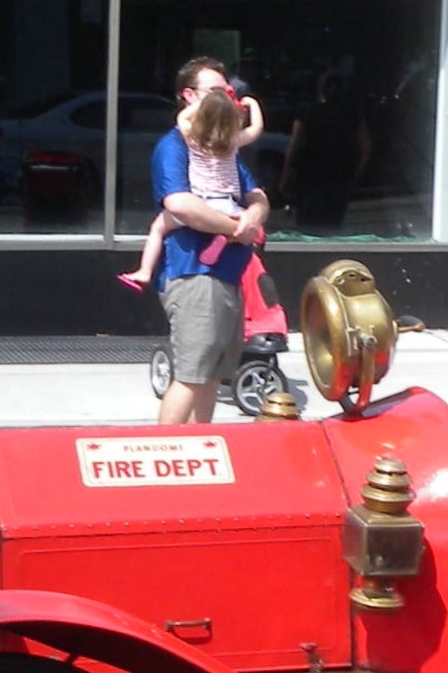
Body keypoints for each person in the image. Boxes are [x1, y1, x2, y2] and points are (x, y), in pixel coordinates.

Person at [151, 56, 271, 425]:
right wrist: (233, 227)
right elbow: (180, 204)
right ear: (189, 96)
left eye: (230, 92)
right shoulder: (175, 145)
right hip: (194, 275)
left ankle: (201, 445)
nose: (227, 98)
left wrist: (251, 217)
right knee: (190, 375)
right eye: (217, 91)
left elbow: (256, 196)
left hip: (228, 274)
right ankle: (163, 458)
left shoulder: (224, 144)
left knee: (212, 374)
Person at [119, 86, 265, 290]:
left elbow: (183, 117)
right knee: (252, 224)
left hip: (201, 202)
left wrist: (204, 103)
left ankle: (144, 271)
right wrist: (251, 104)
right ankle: (228, 237)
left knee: (158, 228)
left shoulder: (193, 140)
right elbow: (256, 128)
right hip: (226, 203)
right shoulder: (233, 143)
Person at [280, 72, 371, 231]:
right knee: (333, 222)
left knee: (307, 224)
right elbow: (366, 148)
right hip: (340, 176)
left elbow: (294, 147)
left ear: (322, 90)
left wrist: (285, 177)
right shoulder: (353, 115)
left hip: (310, 176)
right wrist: (355, 174)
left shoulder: (307, 113)